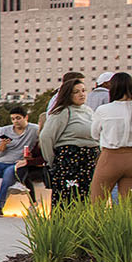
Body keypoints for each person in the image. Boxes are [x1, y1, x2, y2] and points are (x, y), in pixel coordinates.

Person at [38, 73, 97, 204]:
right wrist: (52, 160)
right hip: (70, 161)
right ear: (68, 94)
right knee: (68, 198)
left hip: (89, 162)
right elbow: (46, 137)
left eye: (83, 91)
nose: (81, 94)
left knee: (87, 198)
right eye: (76, 92)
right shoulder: (62, 111)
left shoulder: (88, 111)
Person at [90, 72, 132, 202]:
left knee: (97, 201)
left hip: (110, 157)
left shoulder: (104, 110)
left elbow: (94, 134)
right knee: (129, 207)